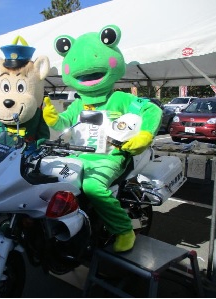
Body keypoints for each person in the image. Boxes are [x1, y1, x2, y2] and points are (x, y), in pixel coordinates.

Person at [43, 25, 162, 252]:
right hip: (79, 155)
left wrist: (145, 135)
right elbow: (63, 123)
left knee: (92, 187)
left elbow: (152, 111)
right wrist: (52, 118)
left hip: (111, 156)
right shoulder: (78, 103)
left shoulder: (118, 98)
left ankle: (124, 230)